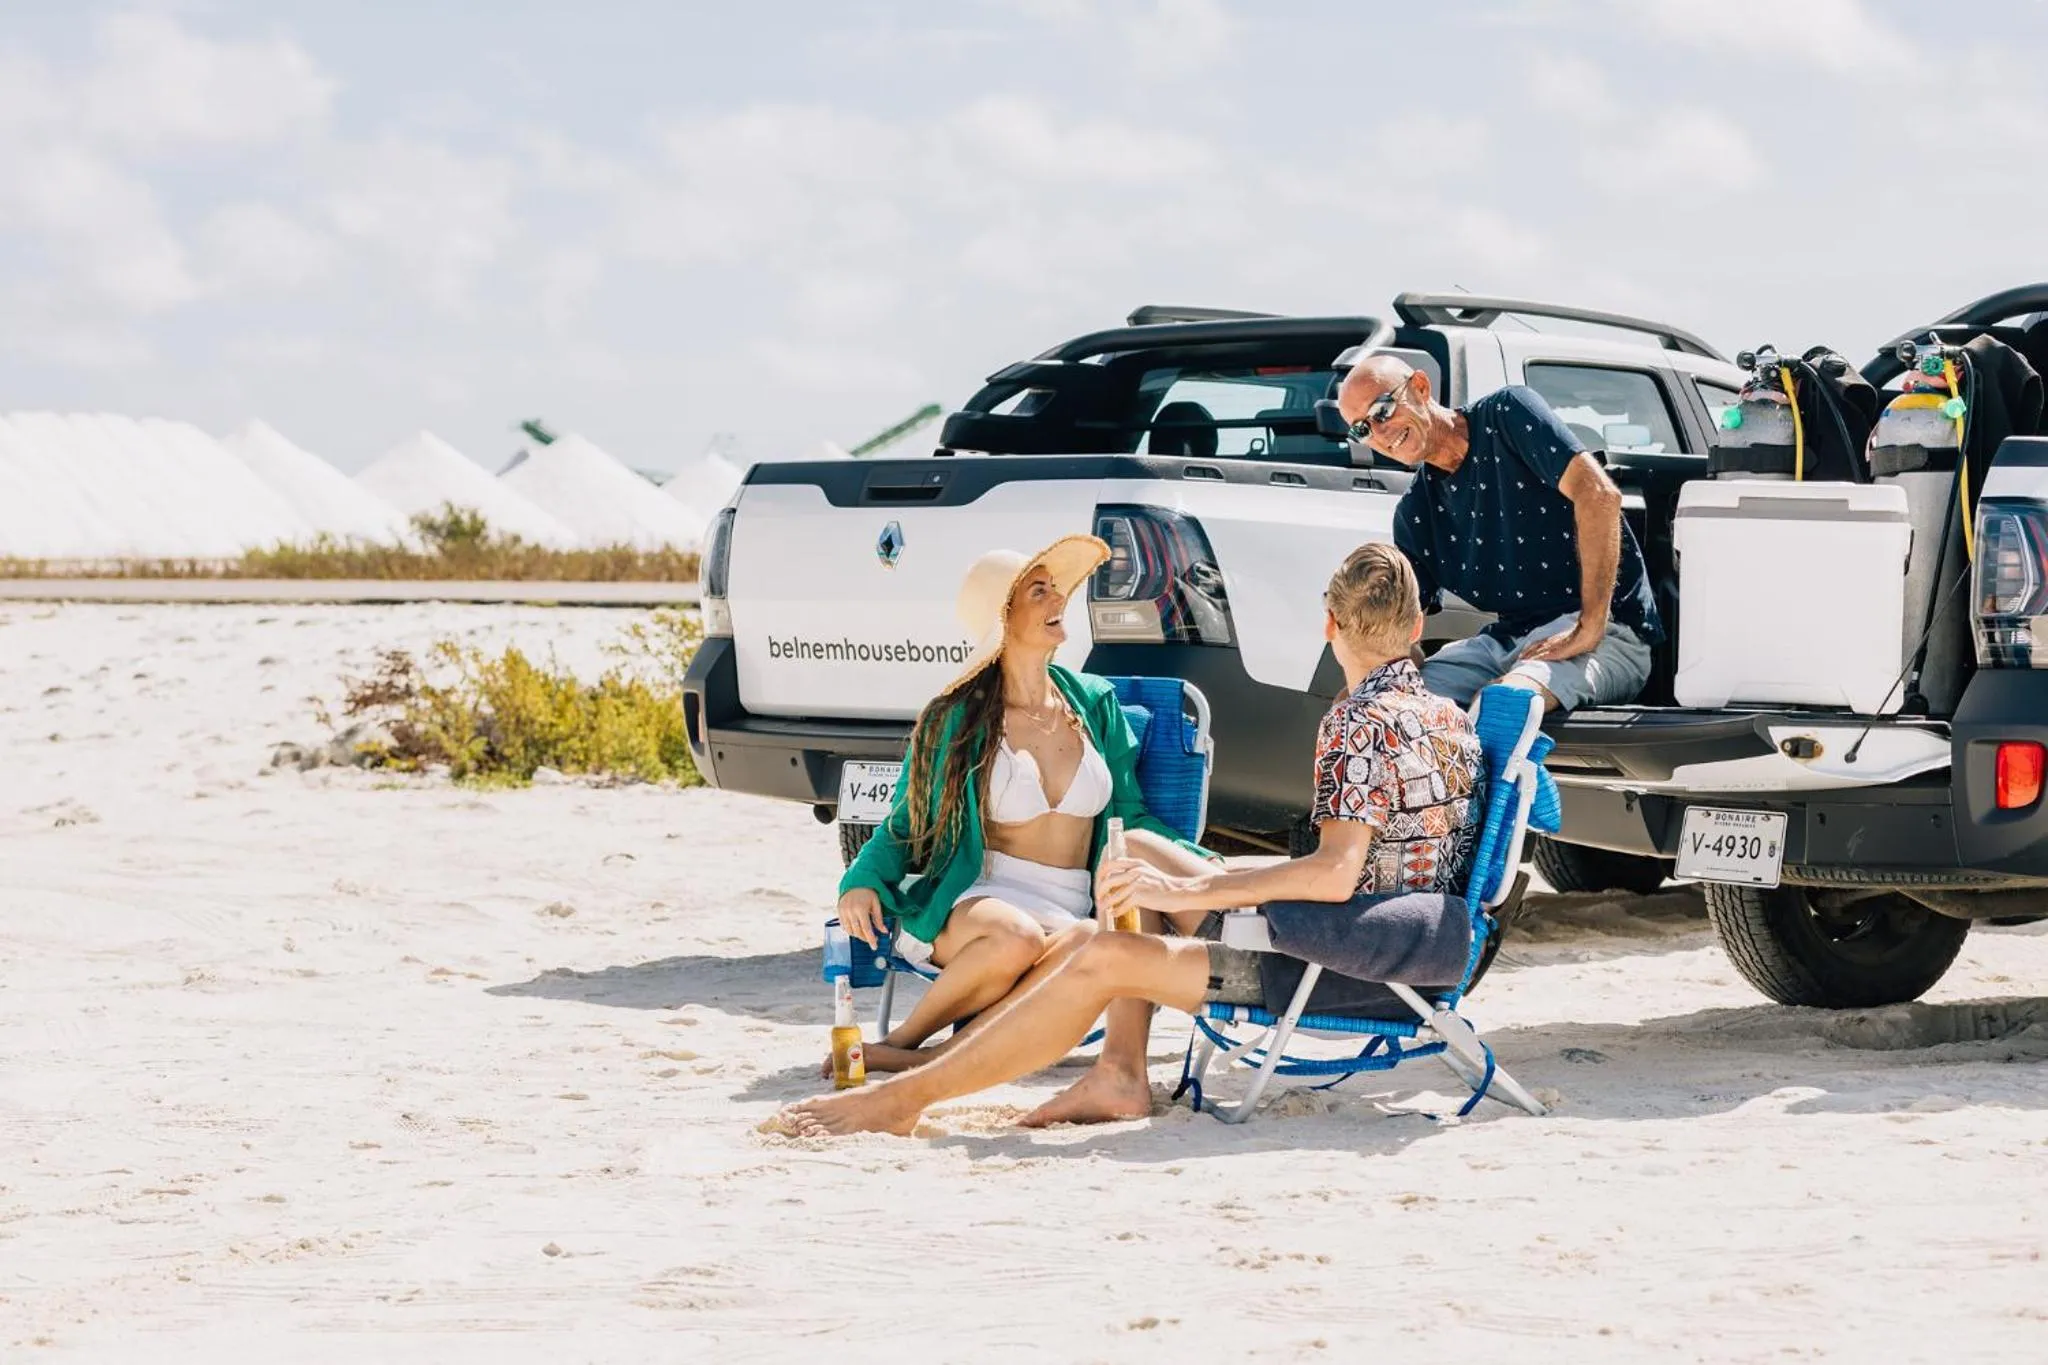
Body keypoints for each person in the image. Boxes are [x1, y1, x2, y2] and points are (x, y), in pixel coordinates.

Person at [779, 543, 1483, 1137]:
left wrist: (1199, 887)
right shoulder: (1452, 717)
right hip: (1406, 948)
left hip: (1333, 964)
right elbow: (910, 819)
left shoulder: (1356, 722)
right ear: (1419, 622)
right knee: (1123, 882)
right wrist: (1198, 880)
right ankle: (1113, 1069)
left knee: (1106, 951)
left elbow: (1335, 875)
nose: (1058, 599)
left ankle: (904, 1097)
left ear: (1328, 623)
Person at [830, 534, 1215, 1076]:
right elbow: (907, 820)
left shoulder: (1095, 703)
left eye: (1056, 590)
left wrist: (1197, 861)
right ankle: (908, 1040)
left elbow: (1132, 818)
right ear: (1001, 618)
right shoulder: (957, 718)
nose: (1059, 601)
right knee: (1017, 937)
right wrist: (861, 879)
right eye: (1040, 592)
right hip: (981, 898)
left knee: (1090, 939)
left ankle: (938, 1057)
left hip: (1072, 903)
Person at [1335, 355, 1663, 711]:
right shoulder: (1416, 514)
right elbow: (1401, 631)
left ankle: (1506, 762)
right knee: (1371, 707)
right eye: (1362, 428)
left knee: (1502, 704)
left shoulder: (1507, 415)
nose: (1379, 432)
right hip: (1505, 645)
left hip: (1608, 633)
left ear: (1420, 387)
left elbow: (1599, 495)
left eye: (1382, 410)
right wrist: (1372, 688)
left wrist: (1589, 626)